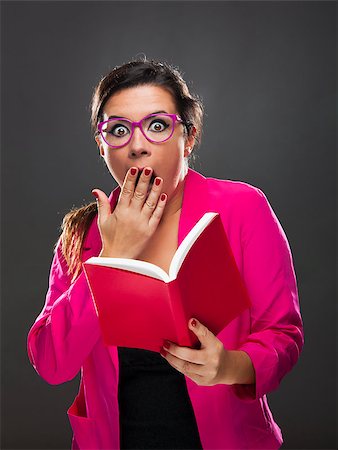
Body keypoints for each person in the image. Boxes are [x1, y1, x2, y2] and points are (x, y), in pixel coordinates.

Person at [27, 57, 304, 450]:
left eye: (157, 126)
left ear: (188, 137)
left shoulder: (243, 208)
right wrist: (111, 255)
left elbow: (283, 333)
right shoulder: (82, 237)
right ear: (101, 146)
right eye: (118, 130)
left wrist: (229, 366)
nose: (137, 146)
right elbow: (52, 363)